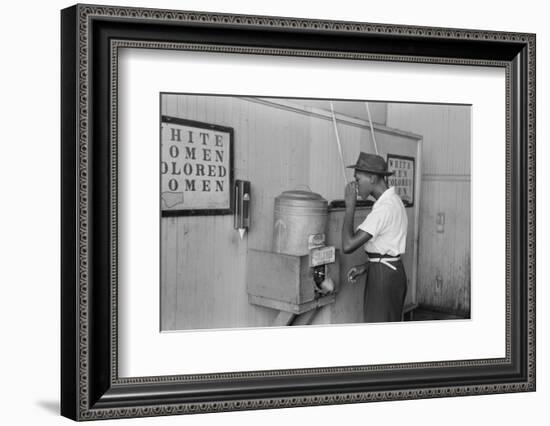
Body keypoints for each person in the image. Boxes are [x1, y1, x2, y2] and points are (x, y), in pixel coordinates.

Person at [341, 152, 408, 322]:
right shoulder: (394, 201)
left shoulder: (384, 208)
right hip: (388, 270)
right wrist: (367, 266)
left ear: (371, 178)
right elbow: (387, 248)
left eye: (358, 180)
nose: (355, 186)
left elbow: (348, 245)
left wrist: (350, 206)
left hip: (383, 278)